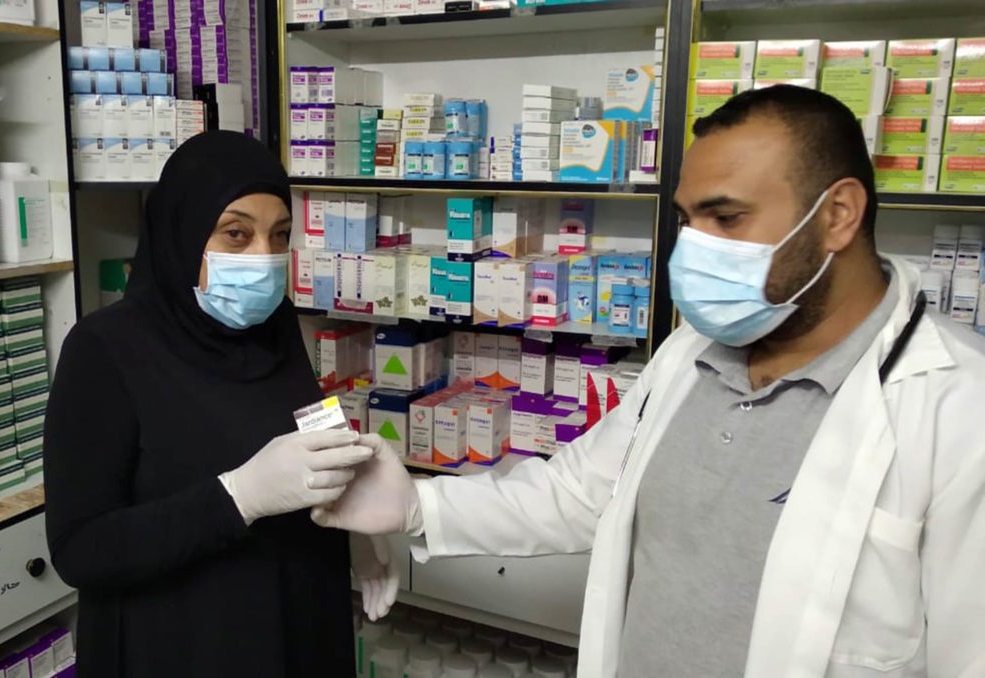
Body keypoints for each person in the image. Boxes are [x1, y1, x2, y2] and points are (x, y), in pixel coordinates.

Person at [314, 86, 985, 677]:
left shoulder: (956, 405)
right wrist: (419, 508)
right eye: (688, 221)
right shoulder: (695, 350)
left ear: (839, 214)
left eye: (726, 218)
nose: (692, 250)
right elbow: (579, 491)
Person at [44, 131, 397, 677]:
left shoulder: (272, 325)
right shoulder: (105, 350)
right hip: (182, 644)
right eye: (236, 234)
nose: (264, 259)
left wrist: (355, 520)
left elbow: (306, 427)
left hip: (296, 625)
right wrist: (237, 496)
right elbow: (81, 548)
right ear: (181, 233)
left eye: (280, 235)